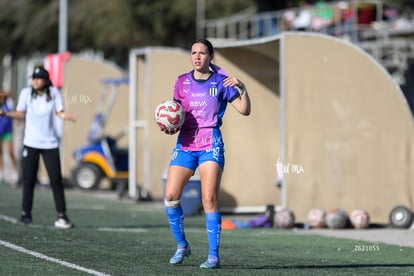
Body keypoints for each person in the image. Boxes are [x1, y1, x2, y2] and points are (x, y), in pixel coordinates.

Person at [163, 39, 251, 269]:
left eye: (202, 53)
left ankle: (213, 255)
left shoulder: (221, 82)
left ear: (210, 57)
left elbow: (244, 110)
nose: (197, 56)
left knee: (209, 198)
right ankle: (182, 245)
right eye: (194, 52)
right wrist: (168, 124)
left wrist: (243, 88)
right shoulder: (181, 82)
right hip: (185, 144)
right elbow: (175, 113)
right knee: (171, 196)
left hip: (210, 144)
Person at [0, 66, 76, 229]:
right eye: (33, 78)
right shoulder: (26, 93)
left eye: (38, 78)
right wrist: (6, 113)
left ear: (46, 80)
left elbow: (59, 112)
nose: (35, 81)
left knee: (56, 180)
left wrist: (65, 116)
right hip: (31, 142)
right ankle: (26, 214)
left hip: (50, 143)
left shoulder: (54, 93)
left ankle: (62, 216)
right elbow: (20, 114)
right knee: (28, 180)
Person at [0, 89, 18, 185]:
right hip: (0, 130)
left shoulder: (9, 102)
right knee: (0, 153)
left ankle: (15, 173)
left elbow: (10, 94)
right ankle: (1, 173)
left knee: (10, 152)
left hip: (7, 131)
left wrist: (4, 94)